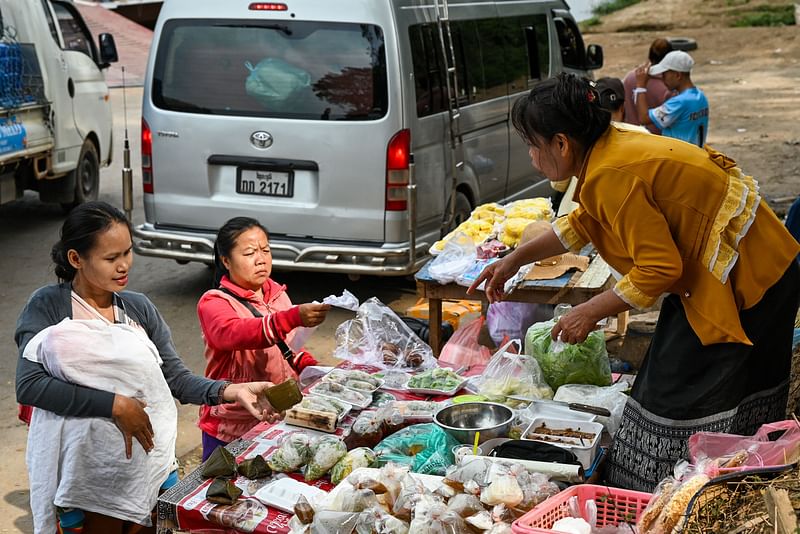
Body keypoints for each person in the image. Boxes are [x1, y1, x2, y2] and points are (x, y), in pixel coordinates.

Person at [469, 73, 800, 492]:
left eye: (534, 146)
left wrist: (588, 312)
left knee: (682, 390)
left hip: (749, 273)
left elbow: (660, 270)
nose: (533, 158)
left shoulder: (612, 172)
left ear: (561, 143)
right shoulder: (606, 150)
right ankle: (710, 476)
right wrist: (512, 260)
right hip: (717, 267)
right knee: (673, 378)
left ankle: (685, 487)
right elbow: (581, 223)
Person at [15, 202, 281, 534]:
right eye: (111, 258)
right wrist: (116, 405)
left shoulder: (138, 307)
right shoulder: (48, 306)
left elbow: (175, 380)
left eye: (127, 253)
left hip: (149, 463)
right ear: (76, 259)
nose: (124, 265)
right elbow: (30, 385)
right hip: (89, 476)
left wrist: (232, 390)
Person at [197, 217, 330, 461]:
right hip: (231, 427)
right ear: (226, 260)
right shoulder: (214, 302)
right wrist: (291, 317)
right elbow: (238, 333)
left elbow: (288, 349)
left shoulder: (277, 295)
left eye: (266, 250)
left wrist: (309, 367)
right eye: (249, 253)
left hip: (276, 417)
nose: (261, 259)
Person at [635, 50, 709, 147]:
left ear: (677, 75)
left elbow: (644, 118)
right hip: (696, 155)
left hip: (680, 158)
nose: (662, 77)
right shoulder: (700, 97)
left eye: (664, 74)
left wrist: (641, 86)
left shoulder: (679, 103)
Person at [622, 38, 674, 133]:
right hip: (657, 142)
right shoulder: (669, 87)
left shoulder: (629, 78)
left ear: (650, 56)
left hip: (630, 137)